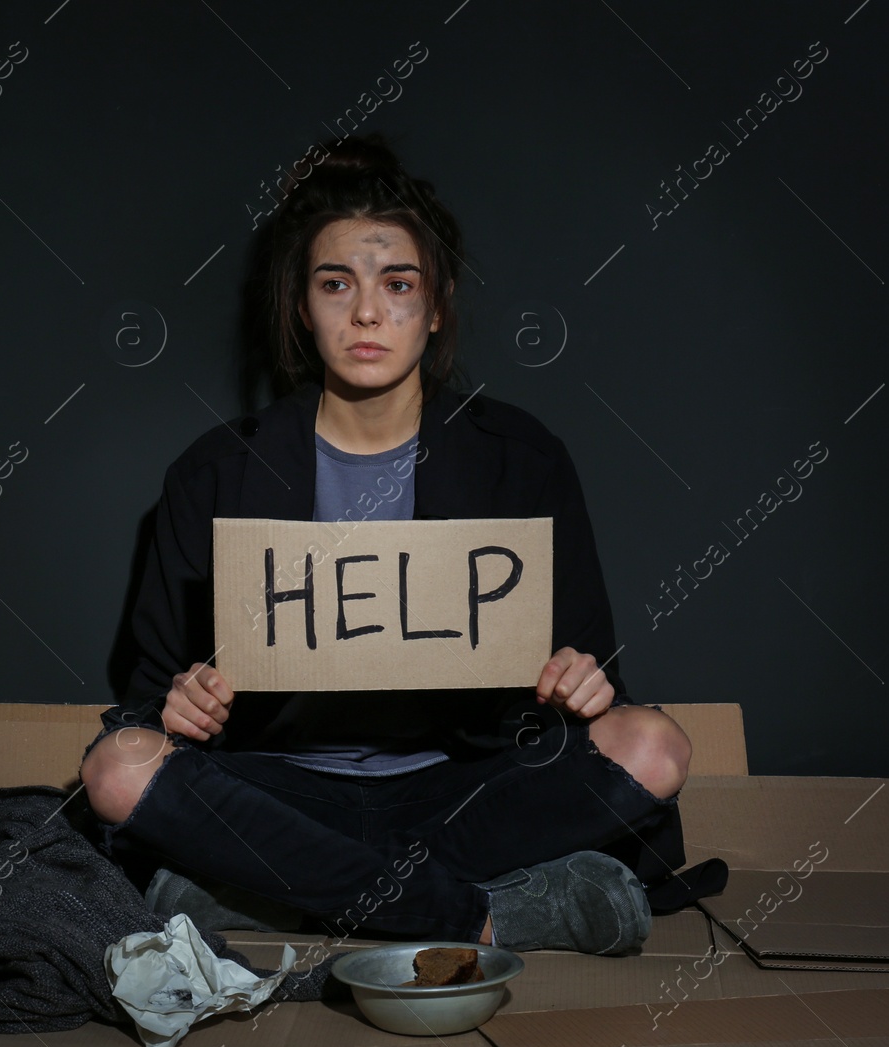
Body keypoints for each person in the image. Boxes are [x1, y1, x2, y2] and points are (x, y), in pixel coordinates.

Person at [79, 133, 722, 953]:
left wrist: (579, 683)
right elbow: (144, 704)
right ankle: (483, 913)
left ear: (437, 305)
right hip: (282, 793)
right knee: (117, 768)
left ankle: (285, 898)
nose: (369, 313)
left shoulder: (519, 461)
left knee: (655, 744)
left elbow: (599, 678)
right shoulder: (212, 475)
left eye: (399, 283)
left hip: (461, 790)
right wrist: (180, 704)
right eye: (336, 283)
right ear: (300, 307)